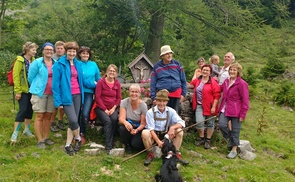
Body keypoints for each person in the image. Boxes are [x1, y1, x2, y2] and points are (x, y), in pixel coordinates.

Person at [52, 41, 95, 155]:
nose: (72, 53)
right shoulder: (59, 64)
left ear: (76, 52)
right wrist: (58, 101)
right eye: (70, 51)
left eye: (74, 51)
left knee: (73, 122)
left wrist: (96, 84)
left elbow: (83, 81)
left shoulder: (78, 64)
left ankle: (67, 144)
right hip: (66, 96)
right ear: (66, 51)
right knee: (73, 120)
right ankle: (78, 139)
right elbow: (55, 85)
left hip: (78, 95)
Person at [142, 89, 189, 166]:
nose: (162, 103)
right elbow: (151, 129)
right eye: (160, 101)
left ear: (167, 102)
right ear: (156, 101)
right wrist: (158, 142)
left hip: (166, 135)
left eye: (164, 101)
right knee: (145, 133)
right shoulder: (150, 112)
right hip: (154, 136)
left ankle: (175, 153)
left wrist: (172, 128)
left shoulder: (171, 111)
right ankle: (150, 153)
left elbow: (182, 122)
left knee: (180, 131)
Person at [218, 63, 249, 159]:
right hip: (225, 108)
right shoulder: (227, 81)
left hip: (236, 111)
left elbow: (245, 100)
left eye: (234, 70)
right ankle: (231, 140)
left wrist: (242, 114)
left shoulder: (242, 84)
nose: (231, 71)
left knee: (235, 130)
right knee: (221, 124)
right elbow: (220, 88)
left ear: (238, 72)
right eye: (230, 70)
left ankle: (234, 150)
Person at [28, 42, 55, 149]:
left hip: (52, 93)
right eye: (47, 49)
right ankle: (39, 140)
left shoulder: (56, 63)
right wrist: (38, 86)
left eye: (51, 49)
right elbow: (31, 77)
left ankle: (46, 137)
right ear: (43, 51)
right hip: (39, 93)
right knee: (39, 116)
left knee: (48, 116)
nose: (49, 51)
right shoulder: (37, 63)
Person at [10, 42, 38, 143]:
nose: (35, 51)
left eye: (35, 50)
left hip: (32, 89)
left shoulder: (34, 60)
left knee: (30, 109)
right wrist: (17, 91)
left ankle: (27, 129)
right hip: (22, 90)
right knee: (23, 109)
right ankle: (15, 132)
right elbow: (16, 76)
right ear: (27, 49)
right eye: (33, 49)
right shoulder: (20, 60)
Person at [189, 64, 221, 149]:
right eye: (204, 70)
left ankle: (208, 140)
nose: (205, 71)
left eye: (207, 70)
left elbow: (217, 95)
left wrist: (214, 106)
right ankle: (201, 137)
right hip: (199, 105)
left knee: (210, 123)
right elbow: (190, 85)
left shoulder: (213, 83)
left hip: (210, 106)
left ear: (210, 72)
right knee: (199, 122)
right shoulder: (198, 80)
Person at [150, 45, 187, 113]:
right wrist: (153, 97)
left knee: (174, 114)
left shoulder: (177, 64)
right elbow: (153, 83)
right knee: (162, 114)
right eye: (167, 54)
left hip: (176, 93)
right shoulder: (157, 66)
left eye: (170, 53)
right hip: (162, 95)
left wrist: (183, 94)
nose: (169, 55)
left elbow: (183, 80)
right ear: (162, 56)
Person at [95, 64, 121, 154]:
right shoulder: (101, 82)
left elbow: (118, 98)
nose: (112, 72)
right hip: (101, 108)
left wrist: (114, 108)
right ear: (107, 72)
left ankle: (112, 139)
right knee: (107, 121)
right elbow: (97, 98)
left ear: (116, 73)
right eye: (110, 70)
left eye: (114, 71)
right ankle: (108, 146)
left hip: (113, 108)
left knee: (114, 119)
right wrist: (105, 109)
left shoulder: (117, 83)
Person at [77, 46, 100, 145]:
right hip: (78, 91)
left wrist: (97, 89)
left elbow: (98, 79)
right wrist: (92, 84)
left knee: (85, 113)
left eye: (87, 53)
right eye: (83, 53)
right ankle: (76, 133)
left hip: (89, 93)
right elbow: (80, 80)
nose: (85, 55)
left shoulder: (93, 65)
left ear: (89, 55)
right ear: (80, 54)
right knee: (77, 113)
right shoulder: (77, 64)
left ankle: (82, 133)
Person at [118, 84, 148, 153]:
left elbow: (143, 123)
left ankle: (136, 145)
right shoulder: (124, 102)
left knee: (135, 144)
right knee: (122, 128)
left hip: (139, 127)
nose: (134, 94)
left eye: (136, 92)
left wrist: (136, 130)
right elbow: (121, 118)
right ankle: (127, 145)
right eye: (132, 92)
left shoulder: (143, 106)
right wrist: (126, 123)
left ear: (139, 94)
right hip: (128, 125)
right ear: (129, 92)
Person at [50, 41, 66, 132]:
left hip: (63, 85)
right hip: (54, 83)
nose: (59, 50)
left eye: (61, 48)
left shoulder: (66, 58)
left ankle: (60, 120)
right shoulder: (52, 58)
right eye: (58, 48)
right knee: (55, 105)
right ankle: (52, 122)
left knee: (63, 105)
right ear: (55, 49)